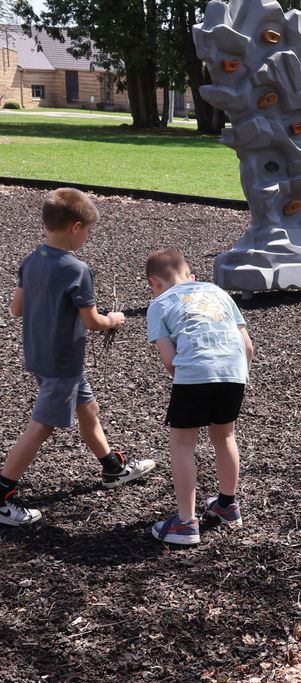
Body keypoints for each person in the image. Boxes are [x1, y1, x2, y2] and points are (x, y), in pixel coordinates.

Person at [0, 188, 156, 527]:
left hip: (39, 355)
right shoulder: (76, 269)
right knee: (41, 428)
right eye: (87, 230)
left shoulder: (32, 259)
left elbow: (16, 308)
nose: (87, 236)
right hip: (62, 362)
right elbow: (92, 322)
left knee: (88, 409)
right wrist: (114, 319)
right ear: (75, 227)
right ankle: (2, 494)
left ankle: (112, 469)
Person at [145, 248, 253, 545]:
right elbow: (248, 345)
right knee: (224, 435)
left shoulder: (159, 304)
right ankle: (227, 506)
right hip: (233, 371)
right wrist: (236, 374)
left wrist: (186, 378)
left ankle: (185, 523)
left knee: (182, 443)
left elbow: (169, 360)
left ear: (154, 282)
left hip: (194, 371)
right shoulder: (219, 293)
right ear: (191, 276)